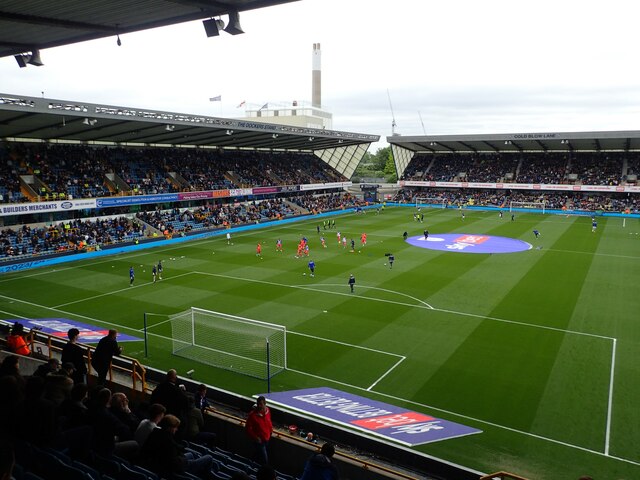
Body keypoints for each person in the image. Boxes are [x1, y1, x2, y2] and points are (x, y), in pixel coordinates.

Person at [140, 414, 215, 480]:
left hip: (158, 464)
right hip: (172, 468)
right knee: (209, 457)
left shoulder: (156, 433)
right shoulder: (168, 441)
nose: (176, 429)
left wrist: (181, 453)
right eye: (175, 427)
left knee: (191, 454)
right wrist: (184, 460)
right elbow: (174, 463)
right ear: (170, 428)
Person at [245, 396, 273, 465]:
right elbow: (248, 429)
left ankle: (250, 465)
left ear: (265, 403)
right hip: (260, 442)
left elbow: (269, 422)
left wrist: (271, 431)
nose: (259, 406)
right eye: (258, 404)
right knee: (265, 461)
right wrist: (256, 438)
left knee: (258, 456)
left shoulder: (268, 411)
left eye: (261, 404)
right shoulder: (252, 415)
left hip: (267, 439)